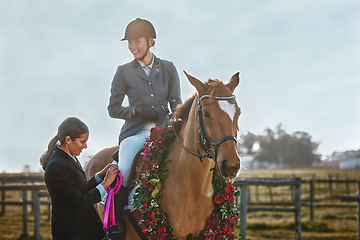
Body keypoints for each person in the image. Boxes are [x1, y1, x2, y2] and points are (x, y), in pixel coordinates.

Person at [107, 18, 182, 223]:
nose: (132, 47)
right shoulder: (123, 72)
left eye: (137, 41)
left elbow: (176, 102)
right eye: (129, 43)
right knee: (123, 170)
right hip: (135, 133)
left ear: (150, 41)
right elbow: (112, 109)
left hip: (164, 131)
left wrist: (174, 119)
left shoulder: (168, 68)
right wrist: (136, 111)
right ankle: (116, 222)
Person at [40, 117, 120, 240]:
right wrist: (105, 183)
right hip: (72, 233)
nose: (85, 146)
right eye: (82, 142)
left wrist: (100, 175)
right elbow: (79, 202)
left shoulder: (70, 158)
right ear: (68, 140)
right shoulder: (56, 165)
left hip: (84, 231)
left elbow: (81, 188)